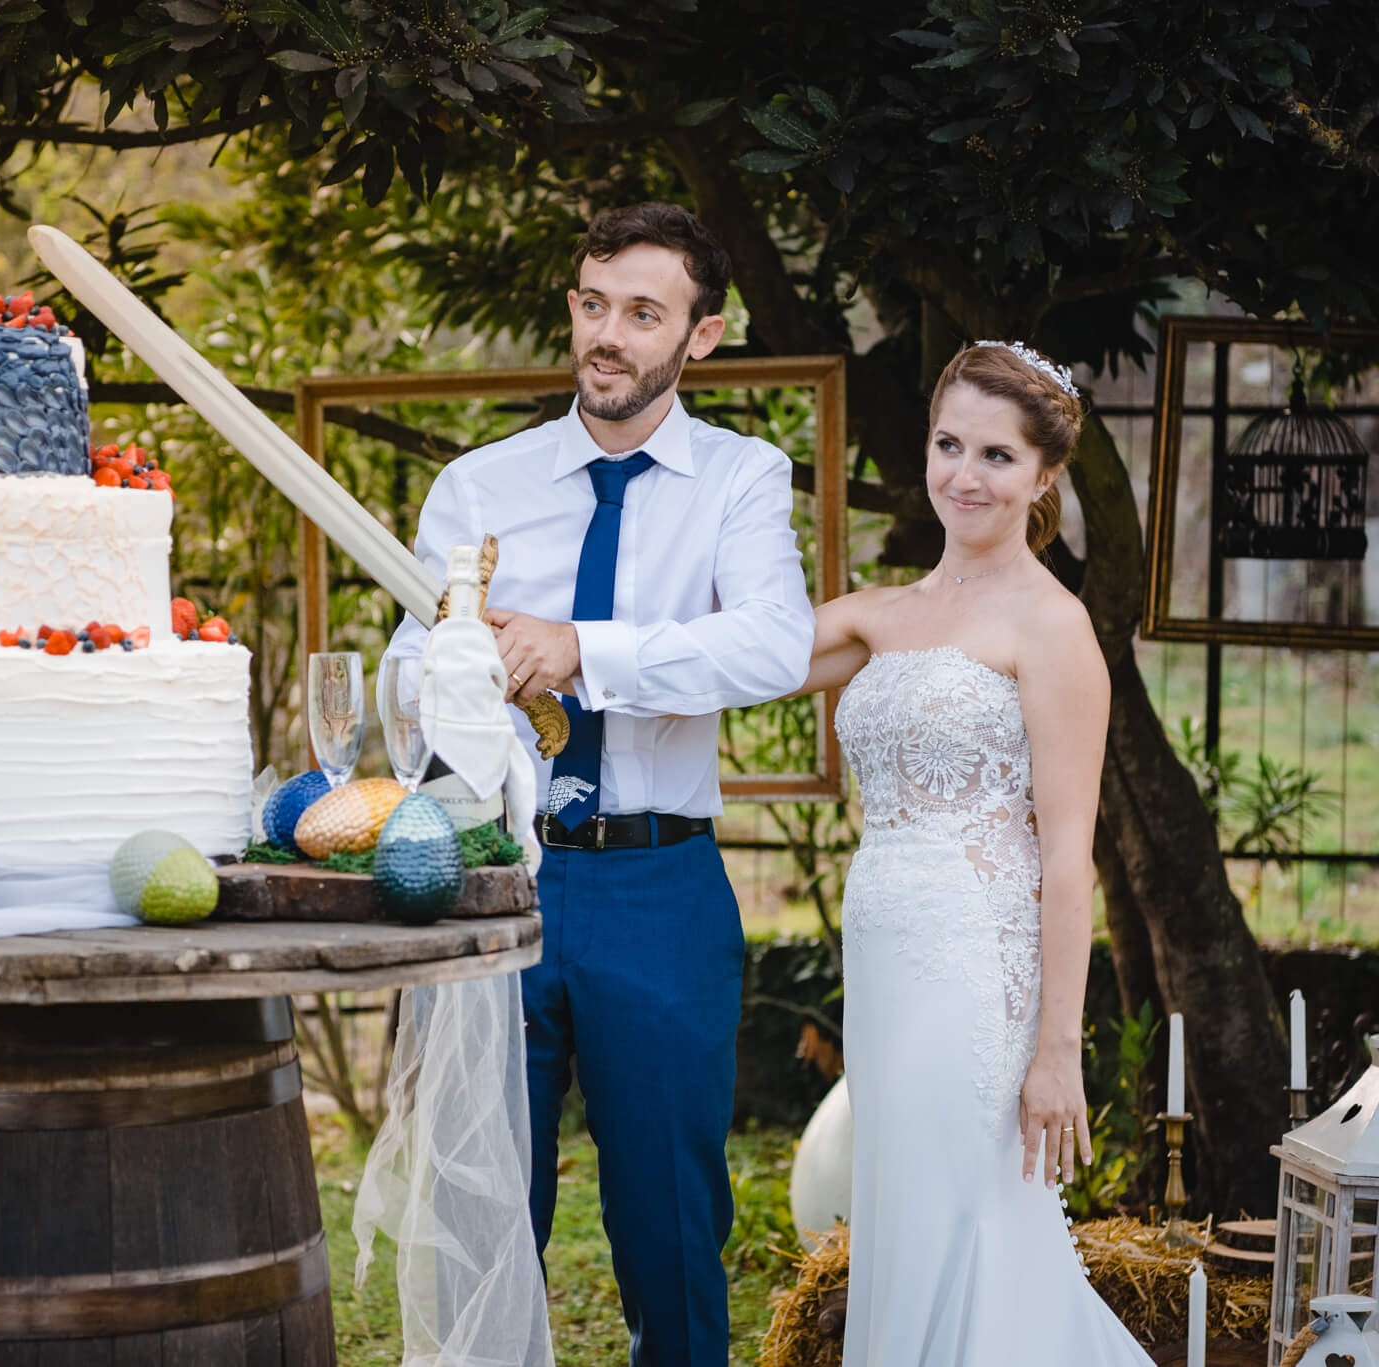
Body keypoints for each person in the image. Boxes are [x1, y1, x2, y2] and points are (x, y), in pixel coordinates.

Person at [384, 202, 815, 1366]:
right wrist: (464, 666)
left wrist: (585, 647)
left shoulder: (740, 476)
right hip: (495, 880)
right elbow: (407, 667)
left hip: (657, 883)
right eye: (591, 306)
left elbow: (774, 646)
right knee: (481, 1206)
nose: (607, 336)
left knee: (671, 1219)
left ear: (702, 334)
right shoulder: (480, 484)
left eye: (641, 312)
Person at [800, 341, 1153, 1364]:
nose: (962, 473)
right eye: (947, 443)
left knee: (975, 1219)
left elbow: (1065, 858)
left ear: (1044, 476)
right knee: (904, 1210)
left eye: (995, 455)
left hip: (971, 972)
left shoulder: (1051, 628)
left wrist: (1055, 1050)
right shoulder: (880, 614)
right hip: (882, 963)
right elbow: (715, 663)